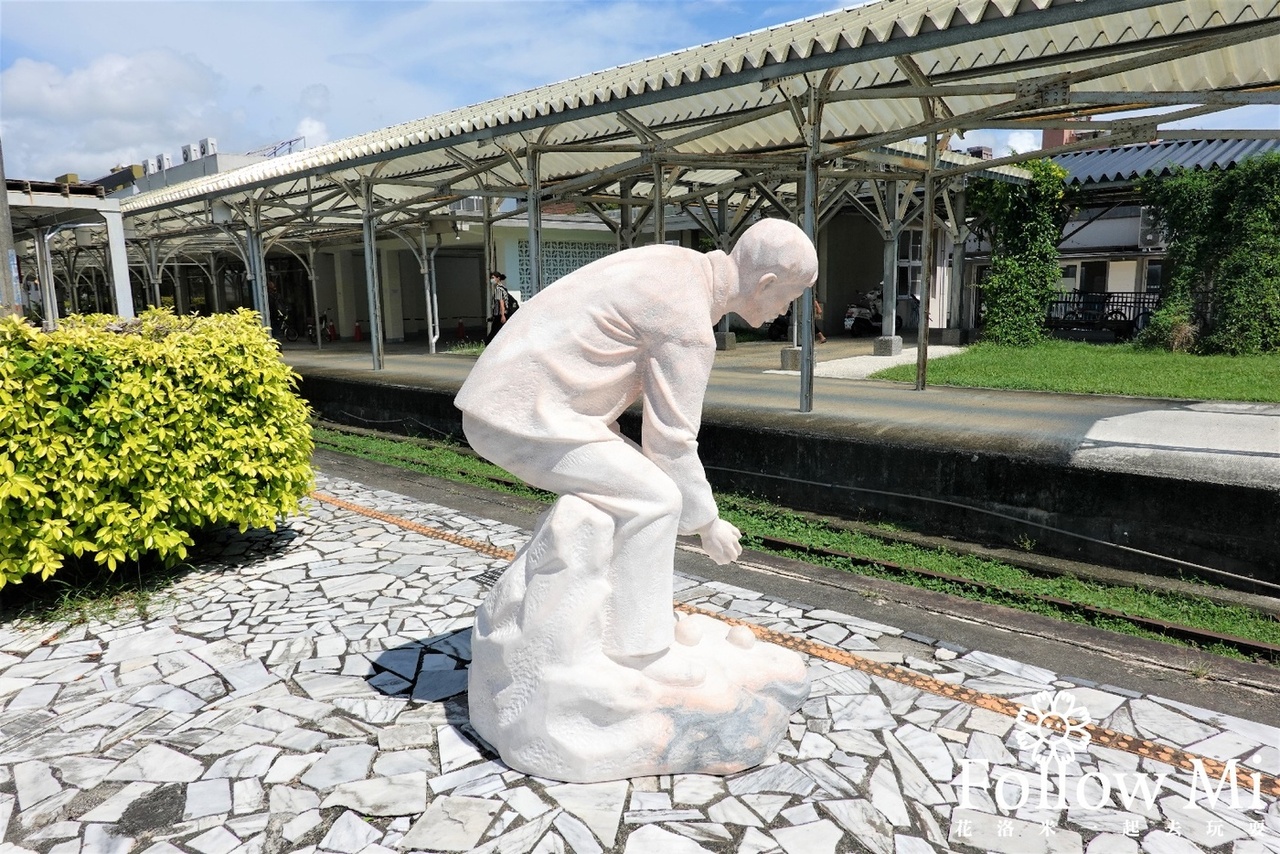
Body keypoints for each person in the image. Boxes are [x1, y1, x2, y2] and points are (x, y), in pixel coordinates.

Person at [456, 218, 818, 682]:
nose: (785, 311)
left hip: (519, 404)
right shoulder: (688, 323)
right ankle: (640, 652)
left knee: (636, 490)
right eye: (788, 298)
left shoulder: (677, 262)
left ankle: (606, 615)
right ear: (765, 283)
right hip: (519, 415)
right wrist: (707, 523)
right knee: (655, 500)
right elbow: (671, 442)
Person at [485, 271, 512, 344]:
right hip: (504, 313)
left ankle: (488, 346)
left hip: (500, 315)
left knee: (493, 333)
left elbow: (501, 302)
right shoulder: (504, 288)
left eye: (493, 278)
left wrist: (502, 315)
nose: (492, 279)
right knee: (500, 332)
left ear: (498, 278)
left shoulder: (498, 289)